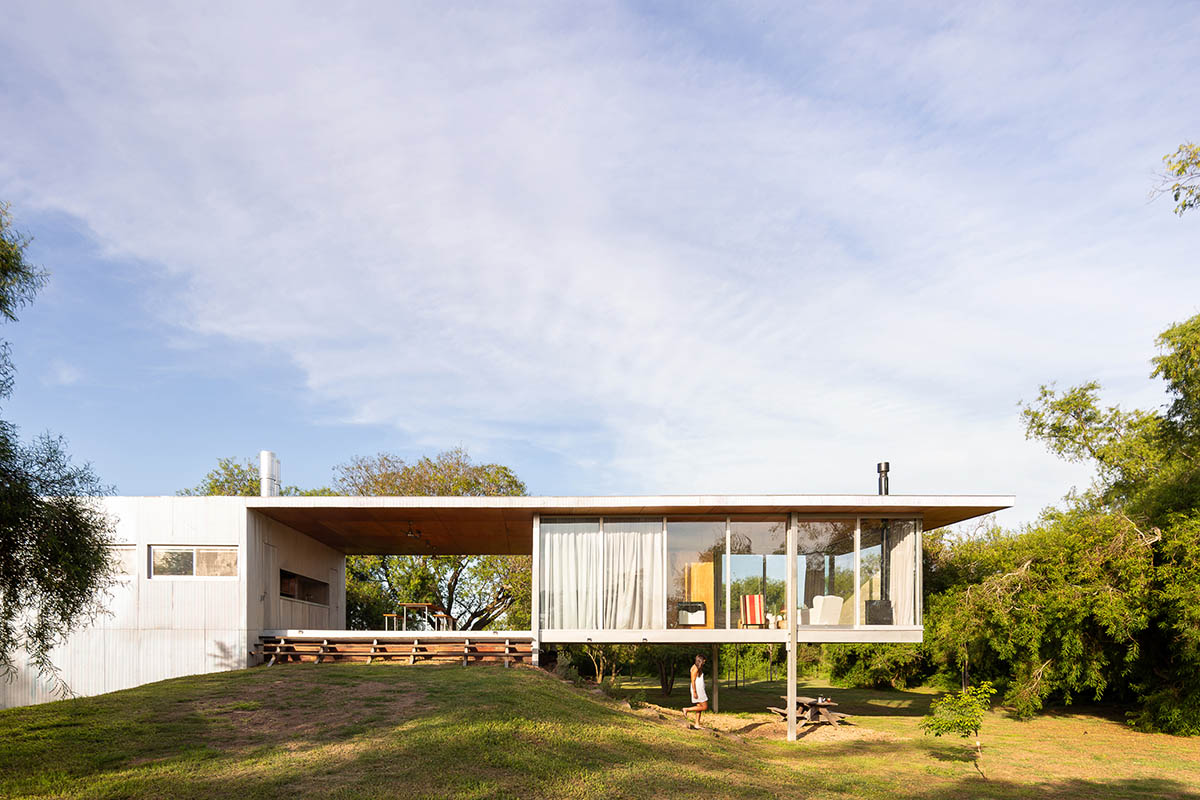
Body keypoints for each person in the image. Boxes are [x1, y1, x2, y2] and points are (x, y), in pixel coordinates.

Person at [683, 653, 708, 728]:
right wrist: (694, 692)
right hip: (698, 690)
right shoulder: (695, 668)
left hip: (700, 689)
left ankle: (697, 724)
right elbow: (693, 681)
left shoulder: (698, 667)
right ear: (700, 660)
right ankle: (687, 709)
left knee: (699, 707)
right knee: (704, 707)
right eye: (703, 661)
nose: (704, 662)